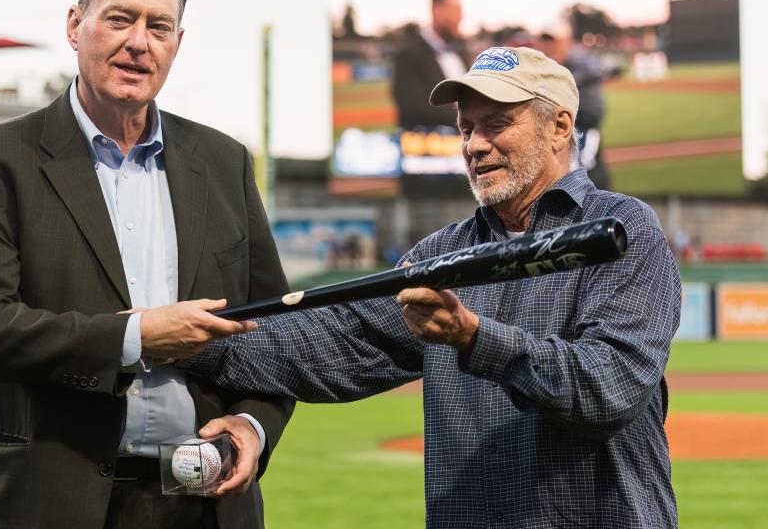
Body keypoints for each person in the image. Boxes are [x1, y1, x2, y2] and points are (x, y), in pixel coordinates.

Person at [187, 46, 682, 528]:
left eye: (496, 124)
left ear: (560, 128)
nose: (474, 144)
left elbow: (608, 388)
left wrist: (473, 338)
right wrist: (174, 338)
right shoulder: (438, 256)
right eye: (466, 128)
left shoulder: (622, 230)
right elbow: (327, 345)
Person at [0, 0, 293, 529]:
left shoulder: (225, 161)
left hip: (206, 504)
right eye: (120, 19)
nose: (139, 42)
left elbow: (273, 332)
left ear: (177, 43)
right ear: (76, 26)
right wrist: (135, 337)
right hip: (51, 502)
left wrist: (253, 424)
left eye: (159, 26)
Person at [536, 28, 614, 189]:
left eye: (553, 42)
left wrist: (551, 103)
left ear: (566, 43)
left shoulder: (584, 73)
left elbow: (593, 114)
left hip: (585, 168)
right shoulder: (536, 76)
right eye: (544, 43)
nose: (548, 48)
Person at [391, 0, 468, 130]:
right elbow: (413, 108)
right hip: (429, 146)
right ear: (436, 11)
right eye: (455, 10)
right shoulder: (408, 55)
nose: (460, 17)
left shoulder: (461, 52)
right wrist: (468, 119)